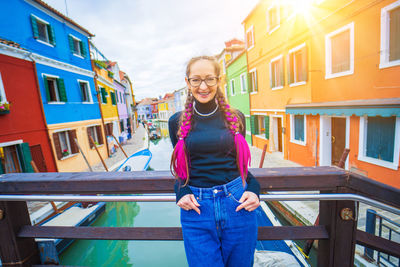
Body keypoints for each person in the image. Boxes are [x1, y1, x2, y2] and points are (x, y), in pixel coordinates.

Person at [168, 55, 260, 267]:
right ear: (187, 82)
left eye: (210, 79)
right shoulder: (176, 122)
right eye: (196, 80)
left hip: (238, 204)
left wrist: (254, 189)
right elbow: (182, 171)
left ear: (220, 81)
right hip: (197, 209)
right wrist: (181, 191)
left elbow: (241, 168)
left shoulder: (236, 118)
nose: (203, 86)